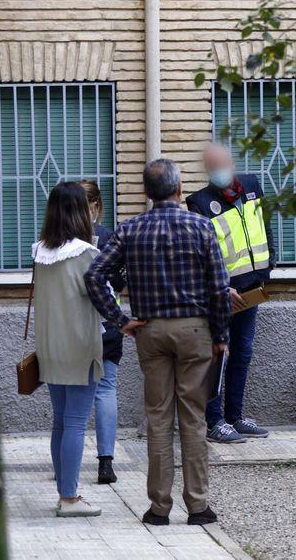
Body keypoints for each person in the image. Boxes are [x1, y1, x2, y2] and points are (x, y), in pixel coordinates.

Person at [85, 159, 231, 527]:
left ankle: (159, 508)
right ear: (180, 189)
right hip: (196, 330)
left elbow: (94, 274)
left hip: (149, 331)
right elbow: (217, 286)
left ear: (147, 193)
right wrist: (221, 336)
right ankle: (198, 507)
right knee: (194, 419)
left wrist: (121, 320)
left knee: (158, 418)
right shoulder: (201, 226)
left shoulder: (130, 229)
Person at [185, 142, 274, 444]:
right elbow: (200, 255)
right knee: (218, 356)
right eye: (212, 167)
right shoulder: (199, 202)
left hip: (251, 291)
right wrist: (221, 287)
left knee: (243, 354)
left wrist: (269, 267)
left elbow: (265, 227)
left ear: (232, 163)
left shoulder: (252, 186)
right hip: (221, 295)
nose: (218, 172)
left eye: (222, 165)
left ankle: (235, 416)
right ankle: (215, 421)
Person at [35, 182, 106, 518]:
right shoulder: (87, 253)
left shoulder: (41, 252)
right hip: (80, 346)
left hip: (50, 347)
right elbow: (104, 299)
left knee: (60, 423)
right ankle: (69, 498)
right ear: (82, 211)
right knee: (76, 423)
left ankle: (65, 492)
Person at [78, 180, 126, 485]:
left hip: (70, 329)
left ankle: (65, 460)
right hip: (107, 325)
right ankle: (105, 463)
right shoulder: (109, 237)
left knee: (72, 395)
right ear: (97, 206)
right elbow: (120, 284)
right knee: (106, 390)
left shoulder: (55, 239)